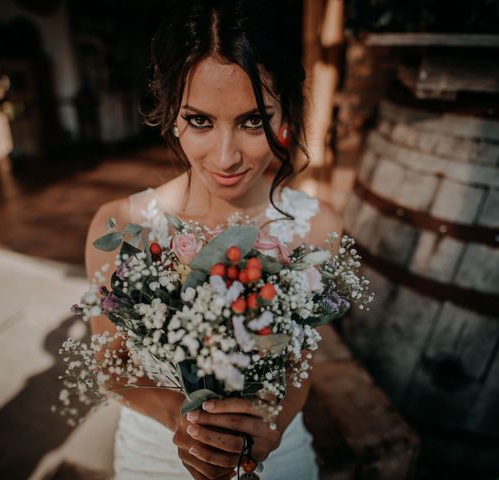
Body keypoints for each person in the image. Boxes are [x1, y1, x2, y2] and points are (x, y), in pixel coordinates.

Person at [85, 1, 343, 478]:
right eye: (200, 120)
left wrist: (271, 426)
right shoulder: (119, 224)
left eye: (252, 120)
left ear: (286, 106)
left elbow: (301, 362)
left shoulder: (318, 226)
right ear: (169, 112)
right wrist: (188, 430)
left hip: (277, 457)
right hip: (155, 458)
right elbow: (111, 368)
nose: (227, 158)